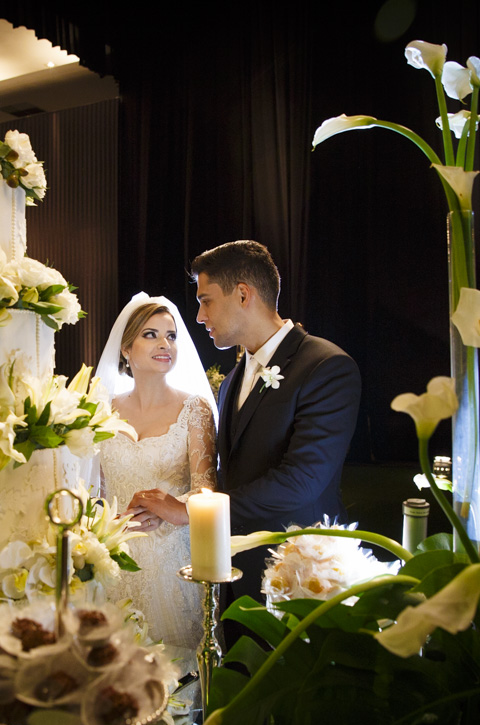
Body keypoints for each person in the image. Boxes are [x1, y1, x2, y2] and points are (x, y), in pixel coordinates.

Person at [191, 240, 361, 604]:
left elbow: (303, 480)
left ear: (242, 294)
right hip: (236, 574)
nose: (200, 316)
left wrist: (198, 510)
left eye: (206, 301)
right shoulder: (232, 381)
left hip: (302, 576)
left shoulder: (326, 366)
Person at [94, 293, 218, 674]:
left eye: (171, 336)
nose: (165, 344)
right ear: (126, 349)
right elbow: (93, 494)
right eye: (151, 335)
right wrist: (110, 522)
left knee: (177, 675)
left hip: (173, 564)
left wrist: (172, 507)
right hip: (116, 562)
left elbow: (208, 492)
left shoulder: (194, 410)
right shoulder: (101, 411)